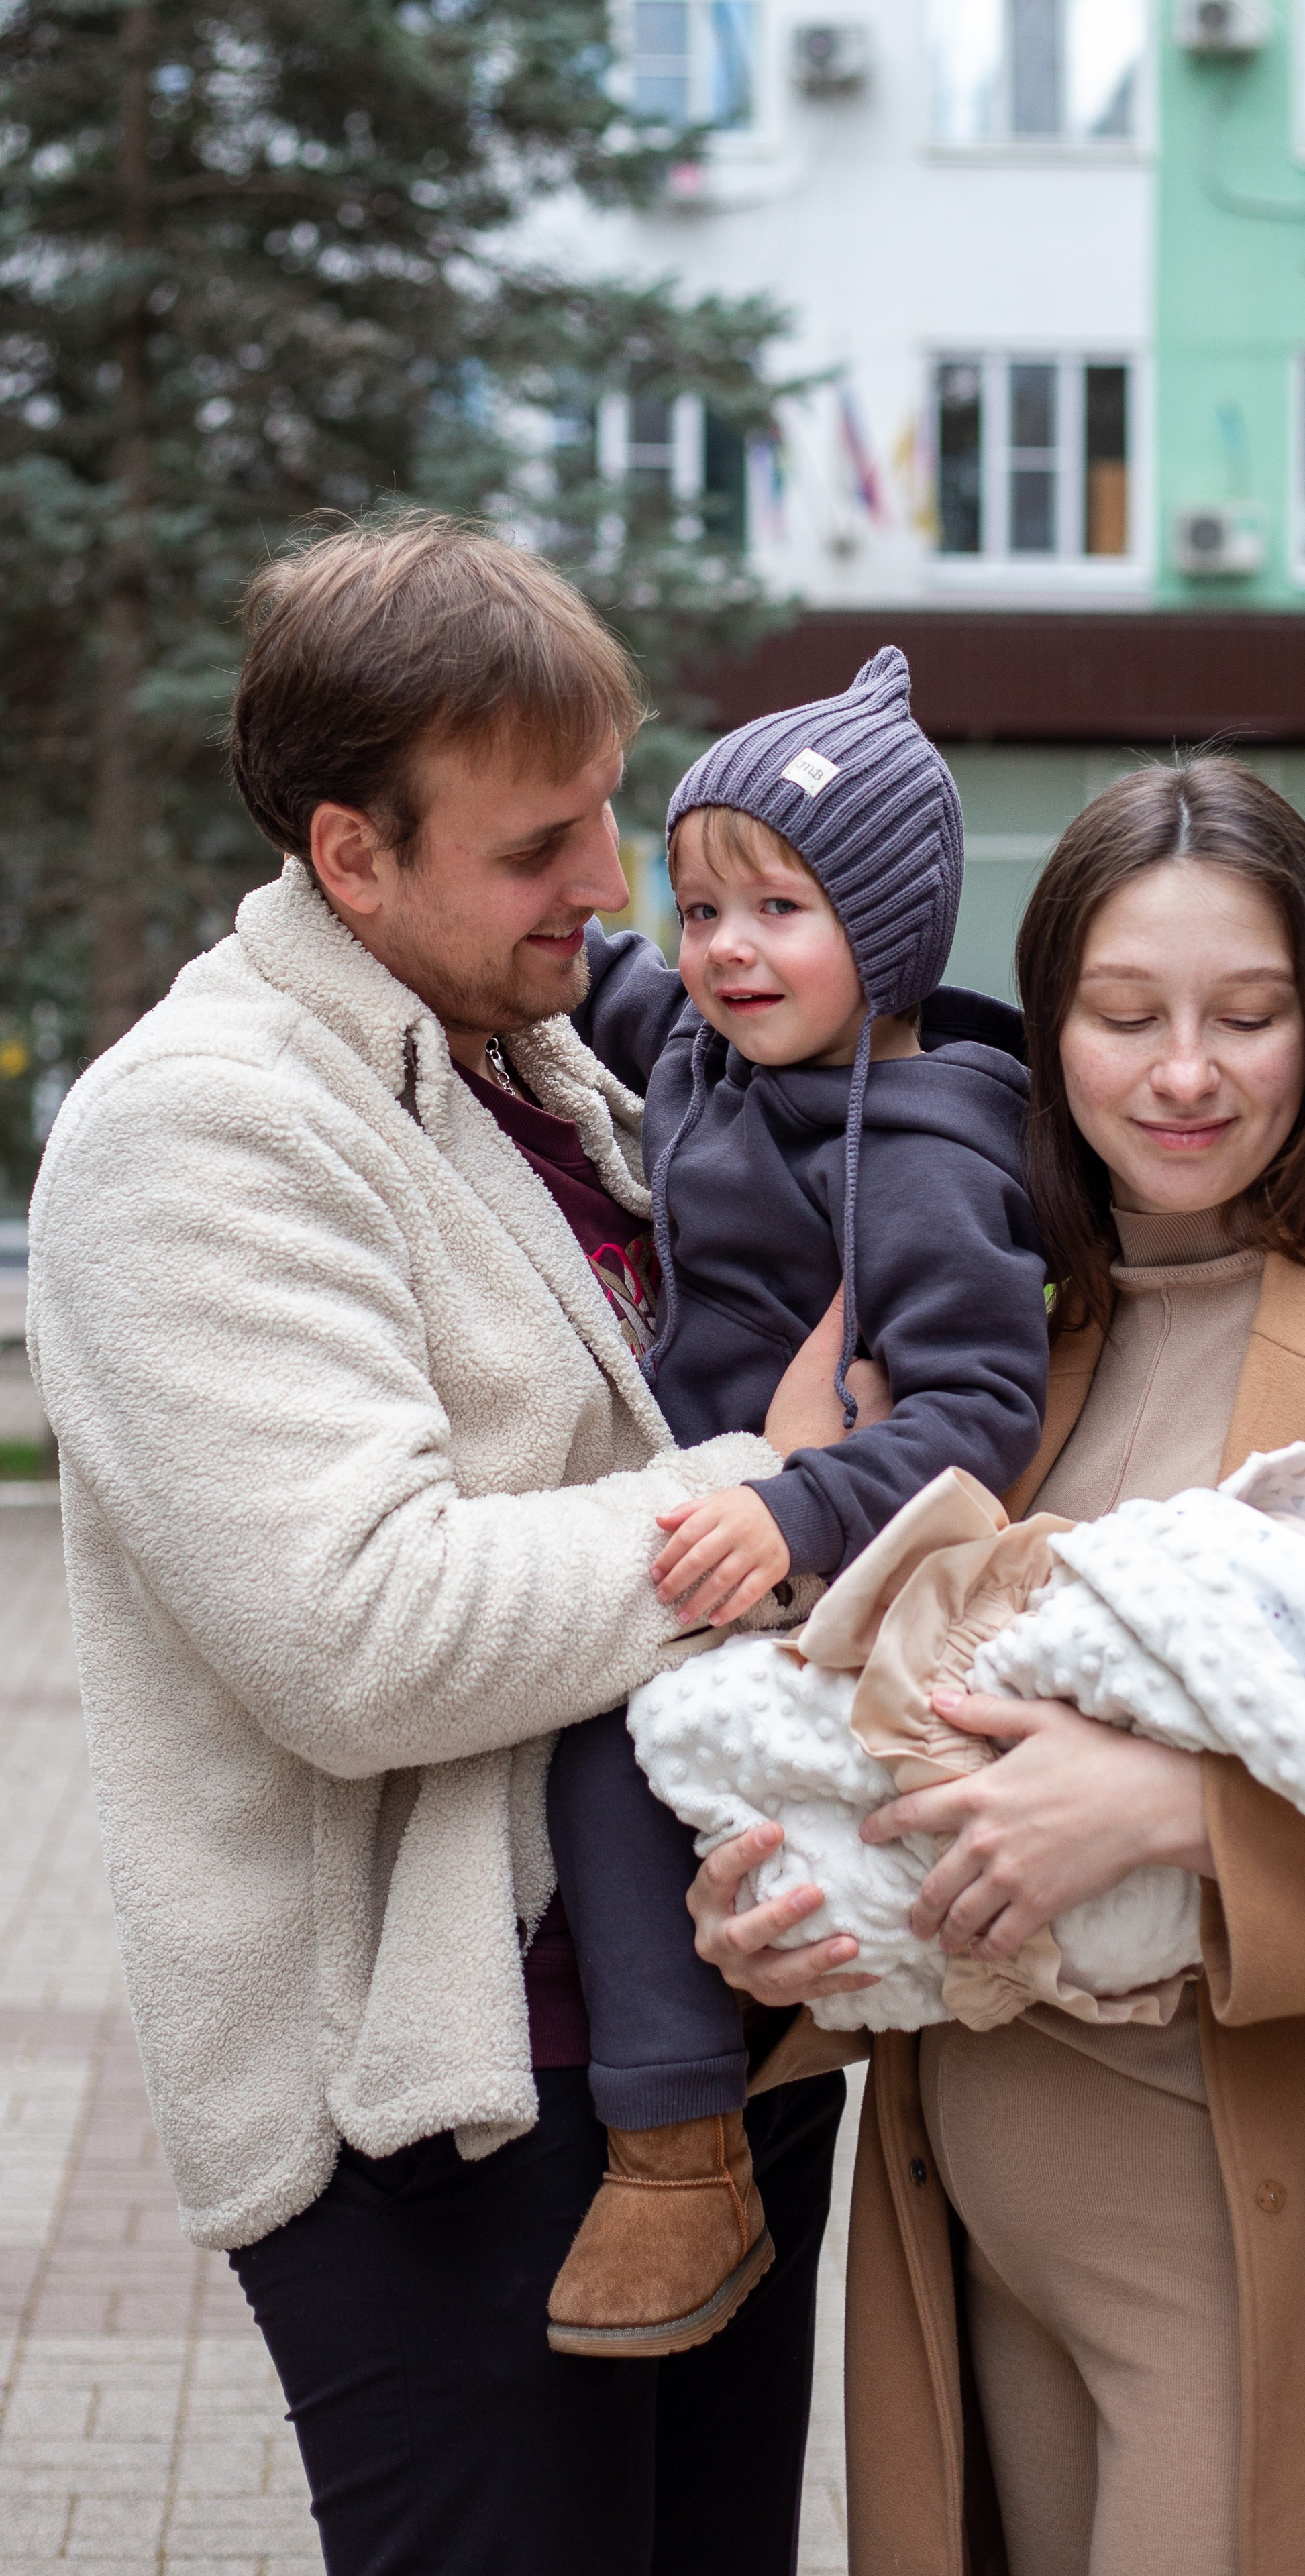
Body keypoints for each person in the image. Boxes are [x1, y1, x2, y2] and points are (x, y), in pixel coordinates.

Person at [686, 755, 1305, 2576]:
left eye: (1249, 1014)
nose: (1185, 1072)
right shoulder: (994, 1345)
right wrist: (785, 1938)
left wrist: (1187, 1814)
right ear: (1046, 1031)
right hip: (980, 2274)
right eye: (1125, 1015)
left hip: (1304, 2277)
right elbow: (876, 1736)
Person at [26, 514, 860, 2576]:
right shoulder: (199, 1127)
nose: (607, 880)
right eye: (536, 844)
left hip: (706, 2025)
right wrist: (766, 1490)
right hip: (454, 2100)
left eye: (606, 811)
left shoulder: (535, 1057)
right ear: (349, 854)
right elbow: (363, 1630)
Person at [543, 649, 1047, 2358]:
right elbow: (589, 980)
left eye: (780, 907)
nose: (724, 948)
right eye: (701, 907)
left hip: (802, 1562)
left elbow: (986, 1410)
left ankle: (675, 2151)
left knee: (612, 1760)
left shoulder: (921, 1160)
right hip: (700, 1514)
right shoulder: (706, 1047)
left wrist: (806, 1505)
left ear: (891, 936)